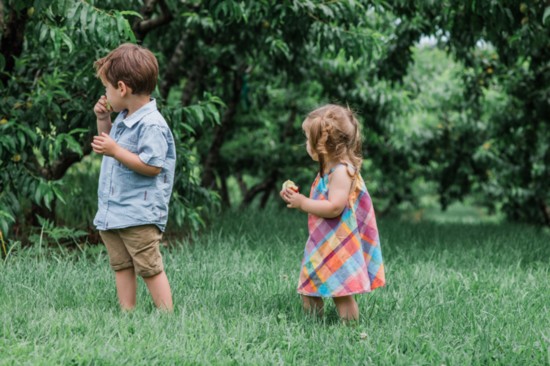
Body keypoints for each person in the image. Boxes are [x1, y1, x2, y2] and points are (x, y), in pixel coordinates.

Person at [280, 104, 385, 322]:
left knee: (342, 293)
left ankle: (351, 330)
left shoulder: (341, 172)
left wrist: (302, 203)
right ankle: (313, 325)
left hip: (338, 244)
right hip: (324, 242)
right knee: (309, 287)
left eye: (309, 140)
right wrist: (296, 197)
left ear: (324, 145)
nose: (306, 145)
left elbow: (335, 207)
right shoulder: (330, 169)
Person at [91, 43, 176, 311]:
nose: (106, 95)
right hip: (115, 210)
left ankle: (167, 314)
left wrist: (116, 151)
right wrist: (104, 119)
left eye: (107, 89)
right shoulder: (126, 117)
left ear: (122, 88)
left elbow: (152, 166)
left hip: (139, 211)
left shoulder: (151, 124)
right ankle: (127, 312)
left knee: (149, 267)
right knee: (121, 264)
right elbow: (109, 144)